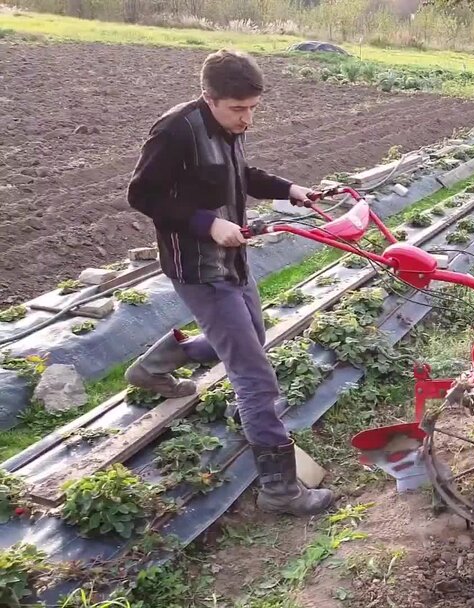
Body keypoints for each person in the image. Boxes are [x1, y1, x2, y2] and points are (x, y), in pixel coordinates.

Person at [124, 49, 332, 517]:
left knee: (249, 340)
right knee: (254, 374)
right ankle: (280, 490)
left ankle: (156, 364)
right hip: (198, 267)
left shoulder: (228, 128)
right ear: (209, 98)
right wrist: (204, 223)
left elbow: (240, 177)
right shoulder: (176, 131)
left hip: (232, 260)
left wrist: (289, 189)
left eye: (253, 108)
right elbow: (142, 194)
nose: (248, 119)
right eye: (239, 109)